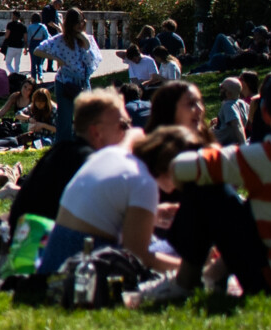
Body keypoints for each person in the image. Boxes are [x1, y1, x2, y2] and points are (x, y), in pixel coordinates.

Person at [144, 70, 271, 306]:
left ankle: (185, 283)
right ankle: (208, 276)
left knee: (207, 186)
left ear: (265, 114)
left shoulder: (256, 158)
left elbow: (178, 167)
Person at [34, 90, 175, 277]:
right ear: (96, 132)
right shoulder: (97, 162)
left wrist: (151, 215)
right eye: (124, 125)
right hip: (81, 270)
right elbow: (137, 253)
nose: (129, 130)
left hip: (52, 259)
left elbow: (101, 216)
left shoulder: (84, 155)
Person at [44, 7, 101, 141]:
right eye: (78, 22)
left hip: (81, 82)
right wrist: (57, 59)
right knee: (65, 118)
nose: (80, 25)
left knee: (85, 116)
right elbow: (38, 49)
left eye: (82, 22)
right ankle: (63, 147)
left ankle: (82, 143)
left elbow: (92, 62)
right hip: (65, 82)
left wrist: (84, 40)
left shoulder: (88, 39)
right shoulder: (61, 39)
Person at [215, 76, 251, 147]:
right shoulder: (243, 104)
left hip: (221, 143)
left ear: (229, 93)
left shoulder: (228, 106)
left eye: (222, 88)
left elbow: (237, 125)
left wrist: (243, 145)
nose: (220, 90)